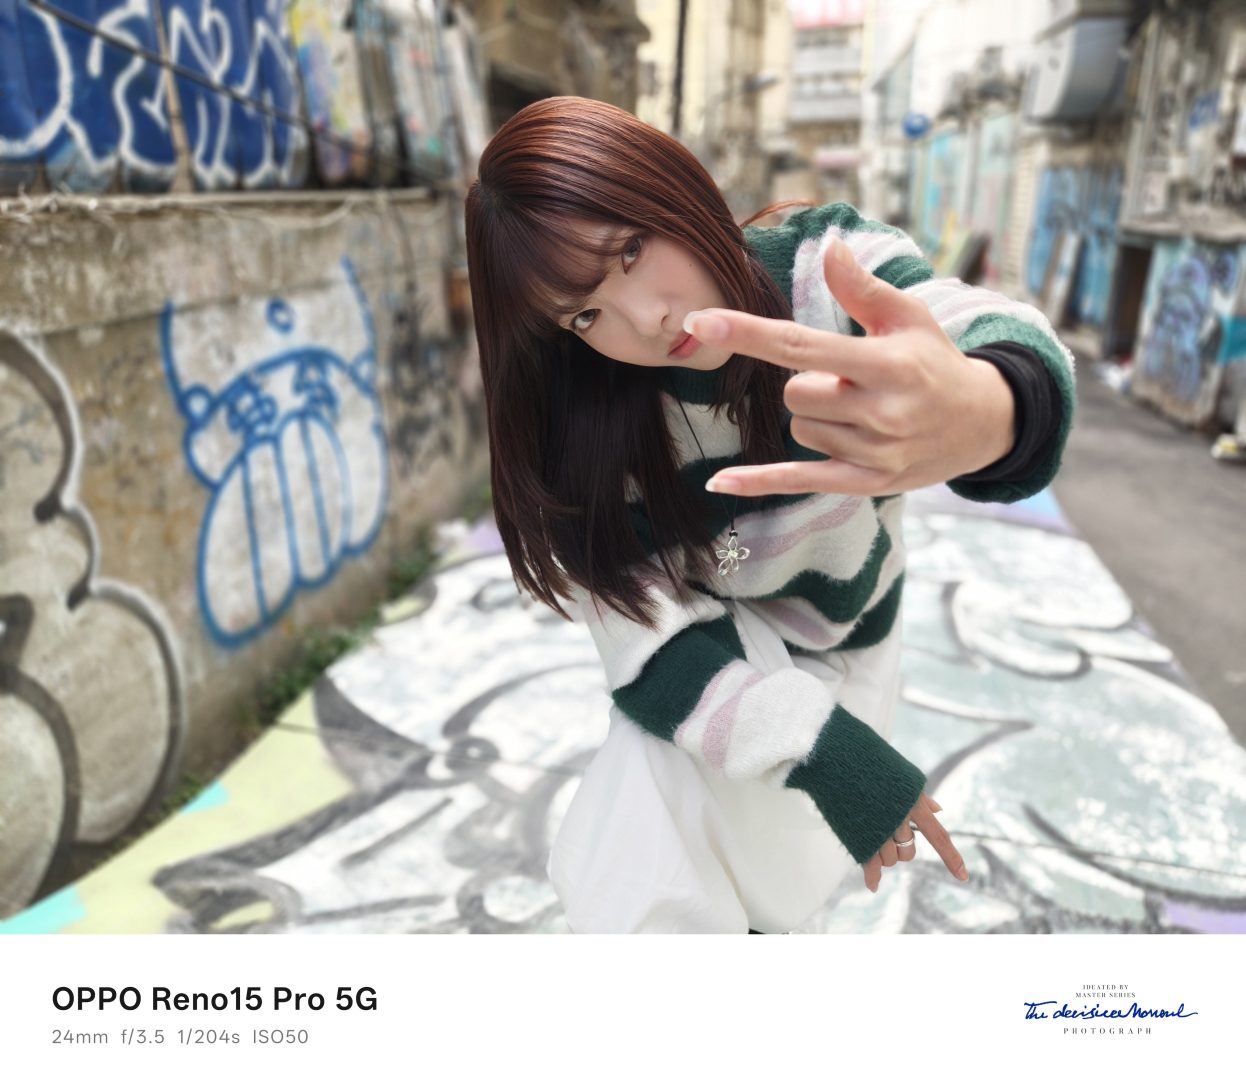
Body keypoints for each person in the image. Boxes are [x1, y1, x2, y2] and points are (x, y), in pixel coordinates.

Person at [463, 96, 1074, 934]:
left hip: (853, 641)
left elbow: (971, 327)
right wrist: (829, 756)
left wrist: (986, 405)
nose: (646, 319)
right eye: (586, 313)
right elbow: (649, 645)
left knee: (711, 874)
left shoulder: (823, 274)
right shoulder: (591, 422)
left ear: (671, 186)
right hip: (722, 652)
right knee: (649, 806)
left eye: (631, 251)